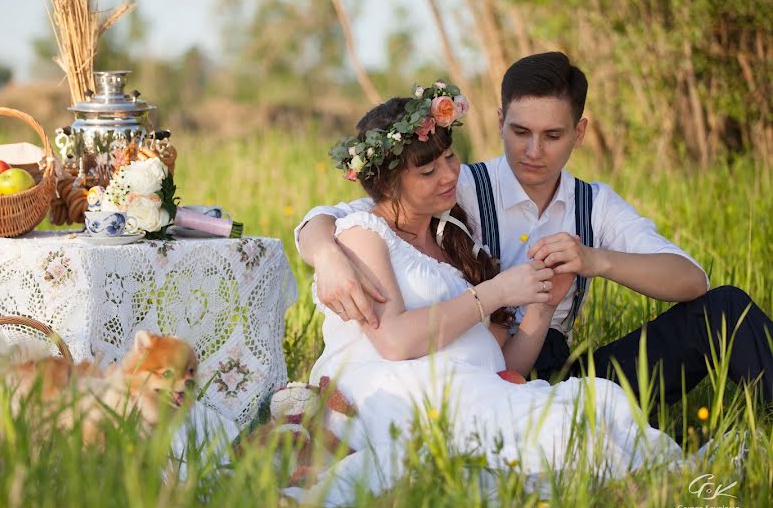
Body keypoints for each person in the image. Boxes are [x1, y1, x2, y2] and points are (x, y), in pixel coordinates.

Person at [296, 52, 773, 408]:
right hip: (481, 371)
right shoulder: (454, 184)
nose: (533, 152)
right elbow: (347, 216)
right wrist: (329, 257)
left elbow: (690, 279)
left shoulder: (595, 204)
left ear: (579, 133)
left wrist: (594, 261)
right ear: (501, 122)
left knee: (724, 308)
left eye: (553, 136)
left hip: (557, 366)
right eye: (520, 132)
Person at [283, 86, 682, 507]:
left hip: (466, 388)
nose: (449, 175)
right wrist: (495, 292)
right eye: (427, 171)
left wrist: (543, 305)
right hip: (394, 393)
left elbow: (504, 365)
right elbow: (396, 341)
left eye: (450, 158)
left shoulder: (452, 238)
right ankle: (649, 487)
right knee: (554, 426)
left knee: (598, 403)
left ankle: (658, 488)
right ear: (387, 183)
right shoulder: (365, 235)